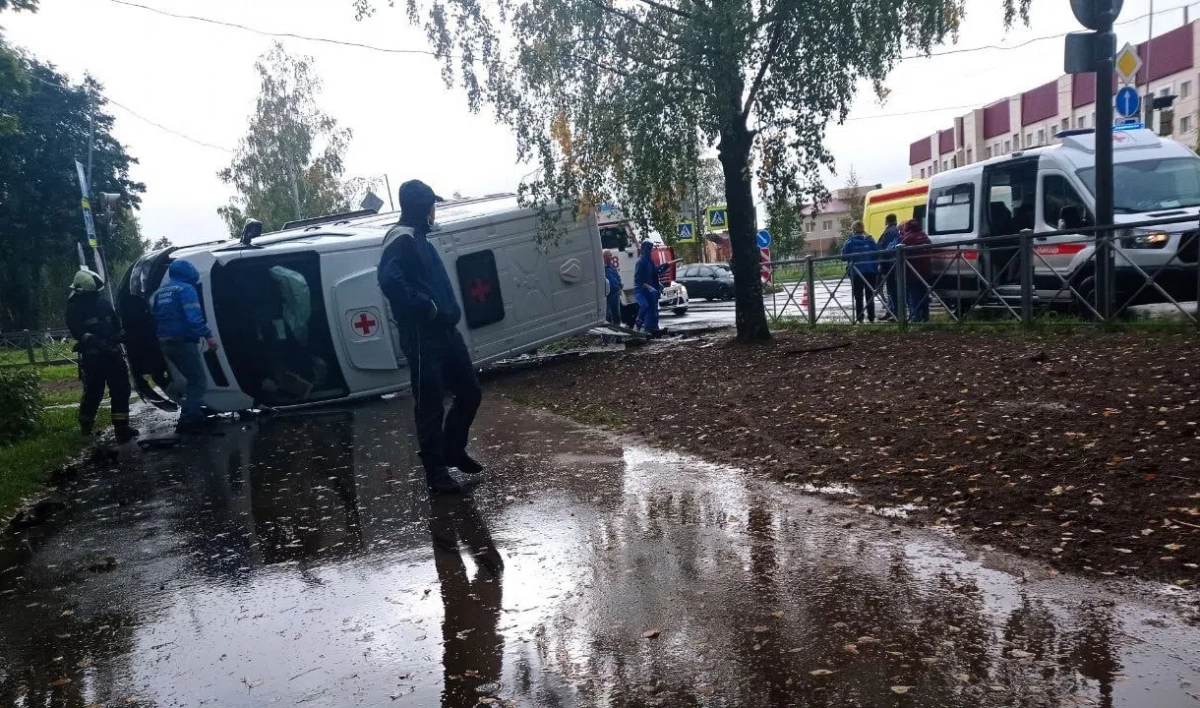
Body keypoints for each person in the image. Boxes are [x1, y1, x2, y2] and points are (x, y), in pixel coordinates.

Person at [378, 179, 483, 495]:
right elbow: (388, 280)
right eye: (432, 204)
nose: (435, 210)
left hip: (445, 334)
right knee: (429, 404)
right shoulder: (401, 239)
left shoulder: (422, 239)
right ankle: (436, 474)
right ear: (423, 208)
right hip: (424, 337)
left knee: (470, 392)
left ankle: (453, 449)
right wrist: (426, 307)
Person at [65, 268, 138, 443]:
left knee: (121, 389)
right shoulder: (74, 308)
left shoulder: (102, 302)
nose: (95, 295)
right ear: (82, 290)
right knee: (94, 392)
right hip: (93, 357)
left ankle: (121, 427)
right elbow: (79, 332)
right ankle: (86, 427)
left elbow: (115, 322)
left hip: (112, 354)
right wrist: (98, 343)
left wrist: (120, 335)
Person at [152, 259, 220, 434]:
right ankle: (189, 420)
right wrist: (209, 336)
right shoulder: (186, 289)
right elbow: (193, 318)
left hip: (165, 342)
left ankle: (193, 414)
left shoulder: (161, 292)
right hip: (182, 341)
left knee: (192, 379)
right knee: (198, 381)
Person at [840, 220, 879, 324]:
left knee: (858, 296)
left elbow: (843, 257)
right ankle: (871, 317)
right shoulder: (870, 240)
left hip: (857, 273)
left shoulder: (850, 241)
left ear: (853, 230)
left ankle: (860, 317)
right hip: (871, 271)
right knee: (870, 295)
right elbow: (877, 254)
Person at [900, 219, 933, 323]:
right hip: (926, 270)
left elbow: (901, 254)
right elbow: (930, 247)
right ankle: (925, 316)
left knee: (913, 295)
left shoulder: (908, 239)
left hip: (913, 271)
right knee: (924, 294)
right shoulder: (924, 236)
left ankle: (915, 317)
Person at [634, 240, 667, 336]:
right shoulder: (640, 262)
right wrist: (648, 287)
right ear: (643, 249)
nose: (650, 251)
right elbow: (638, 280)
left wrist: (664, 267)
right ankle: (639, 328)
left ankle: (654, 329)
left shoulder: (649, 261)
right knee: (645, 306)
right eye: (649, 249)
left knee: (654, 309)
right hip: (641, 290)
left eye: (651, 249)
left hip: (650, 290)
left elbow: (655, 272)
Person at [876, 214, 903, 320]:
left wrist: (880, 263)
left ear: (886, 221)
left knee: (892, 290)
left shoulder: (888, 232)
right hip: (895, 263)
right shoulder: (898, 230)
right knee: (892, 289)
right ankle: (891, 311)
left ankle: (895, 313)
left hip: (889, 264)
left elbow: (883, 248)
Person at [603, 250, 623, 343]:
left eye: (611, 256)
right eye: (609, 256)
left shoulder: (612, 267)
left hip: (615, 295)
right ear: (604, 257)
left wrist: (620, 285)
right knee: (606, 317)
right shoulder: (601, 268)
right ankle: (606, 339)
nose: (611, 257)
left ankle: (618, 337)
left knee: (617, 316)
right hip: (606, 296)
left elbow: (617, 277)